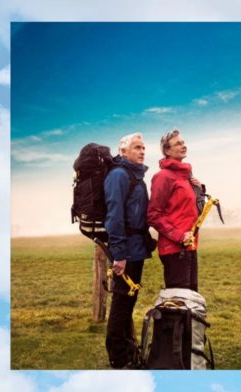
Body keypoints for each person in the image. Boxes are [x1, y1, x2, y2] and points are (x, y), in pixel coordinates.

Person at [104, 132, 152, 369]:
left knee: (128, 302)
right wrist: (119, 254)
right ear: (123, 151)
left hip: (136, 250)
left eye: (143, 147)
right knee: (122, 304)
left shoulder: (136, 176)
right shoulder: (119, 176)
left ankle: (129, 351)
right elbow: (114, 218)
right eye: (136, 147)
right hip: (127, 252)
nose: (142, 151)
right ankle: (118, 358)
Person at [147, 128, 203, 292]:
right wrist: (179, 236)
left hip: (190, 246)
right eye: (178, 143)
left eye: (183, 142)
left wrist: (200, 191)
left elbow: (189, 209)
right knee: (179, 300)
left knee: (191, 297)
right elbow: (153, 215)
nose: (183, 146)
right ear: (167, 150)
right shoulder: (163, 177)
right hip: (174, 249)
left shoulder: (185, 176)